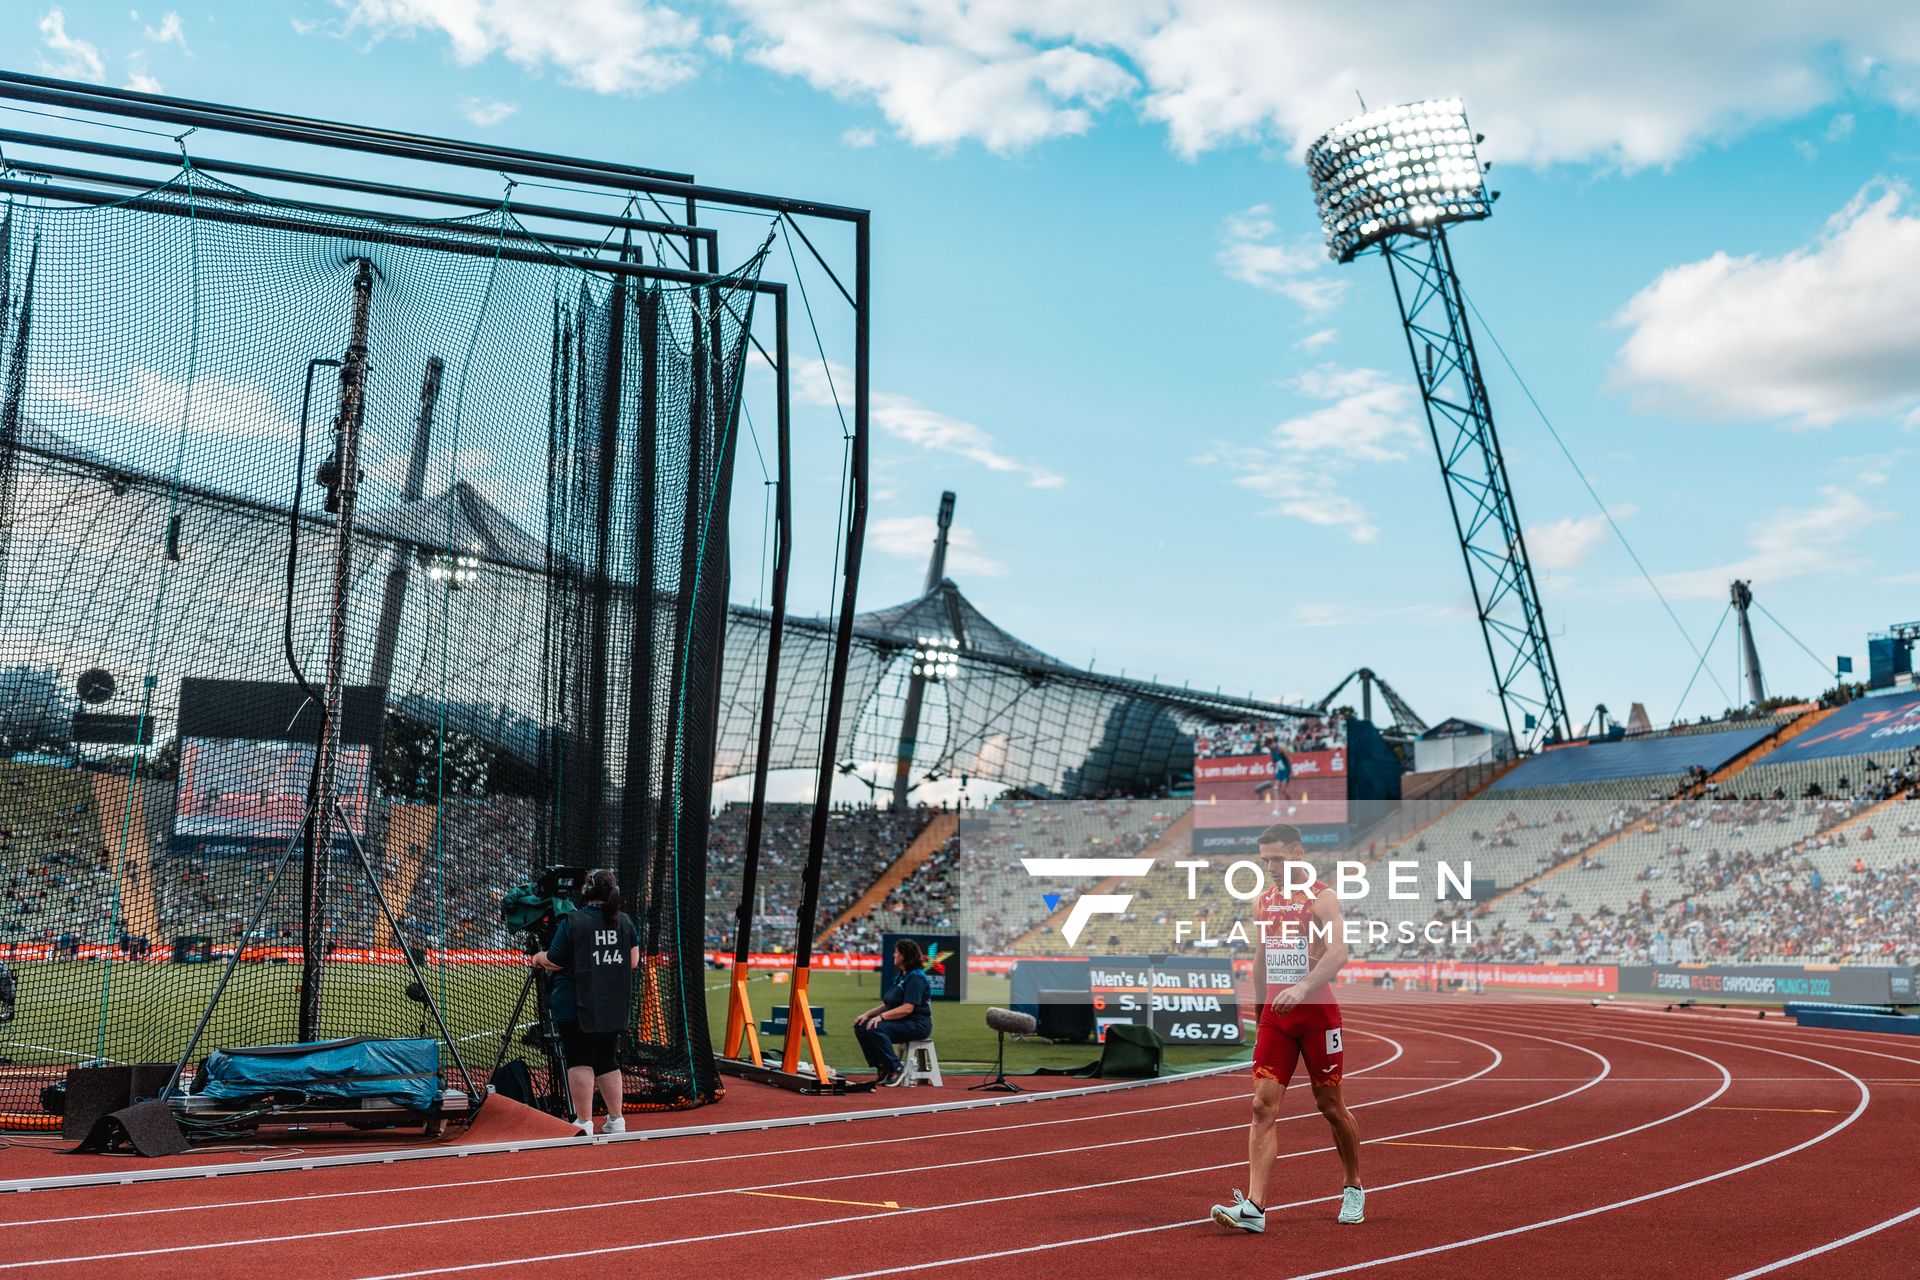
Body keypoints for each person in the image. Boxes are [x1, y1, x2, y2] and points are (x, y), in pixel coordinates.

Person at [1212, 823, 1364, 1232]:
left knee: (1330, 1107)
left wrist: (1302, 987)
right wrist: (1259, 1012)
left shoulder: (1323, 898)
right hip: (1276, 1018)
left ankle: (1353, 1185)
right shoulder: (1262, 901)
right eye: (1265, 861)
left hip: (1317, 1015)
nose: (1271, 867)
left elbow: (1340, 952)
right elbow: (1261, 957)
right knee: (1261, 1106)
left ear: (1297, 853)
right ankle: (1255, 1209)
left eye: (1277, 858)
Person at [533, 869, 638, 1136]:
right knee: (607, 1059)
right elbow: (633, 961)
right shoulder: (624, 921)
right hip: (611, 1002)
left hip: (576, 1002)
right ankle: (616, 1120)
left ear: (586, 893)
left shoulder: (574, 921)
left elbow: (555, 960)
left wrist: (537, 957)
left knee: (579, 1059)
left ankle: (584, 1121)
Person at [852, 939, 933, 1086]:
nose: (893, 954)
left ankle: (897, 1068)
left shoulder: (916, 978)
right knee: (861, 1025)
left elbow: (908, 1008)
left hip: (917, 1023)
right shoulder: (902, 976)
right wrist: (867, 1015)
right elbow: (888, 1004)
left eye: (896, 952)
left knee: (877, 1028)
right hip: (903, 1021)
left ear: (904, 956)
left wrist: (881, 1018)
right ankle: (882, 1067)